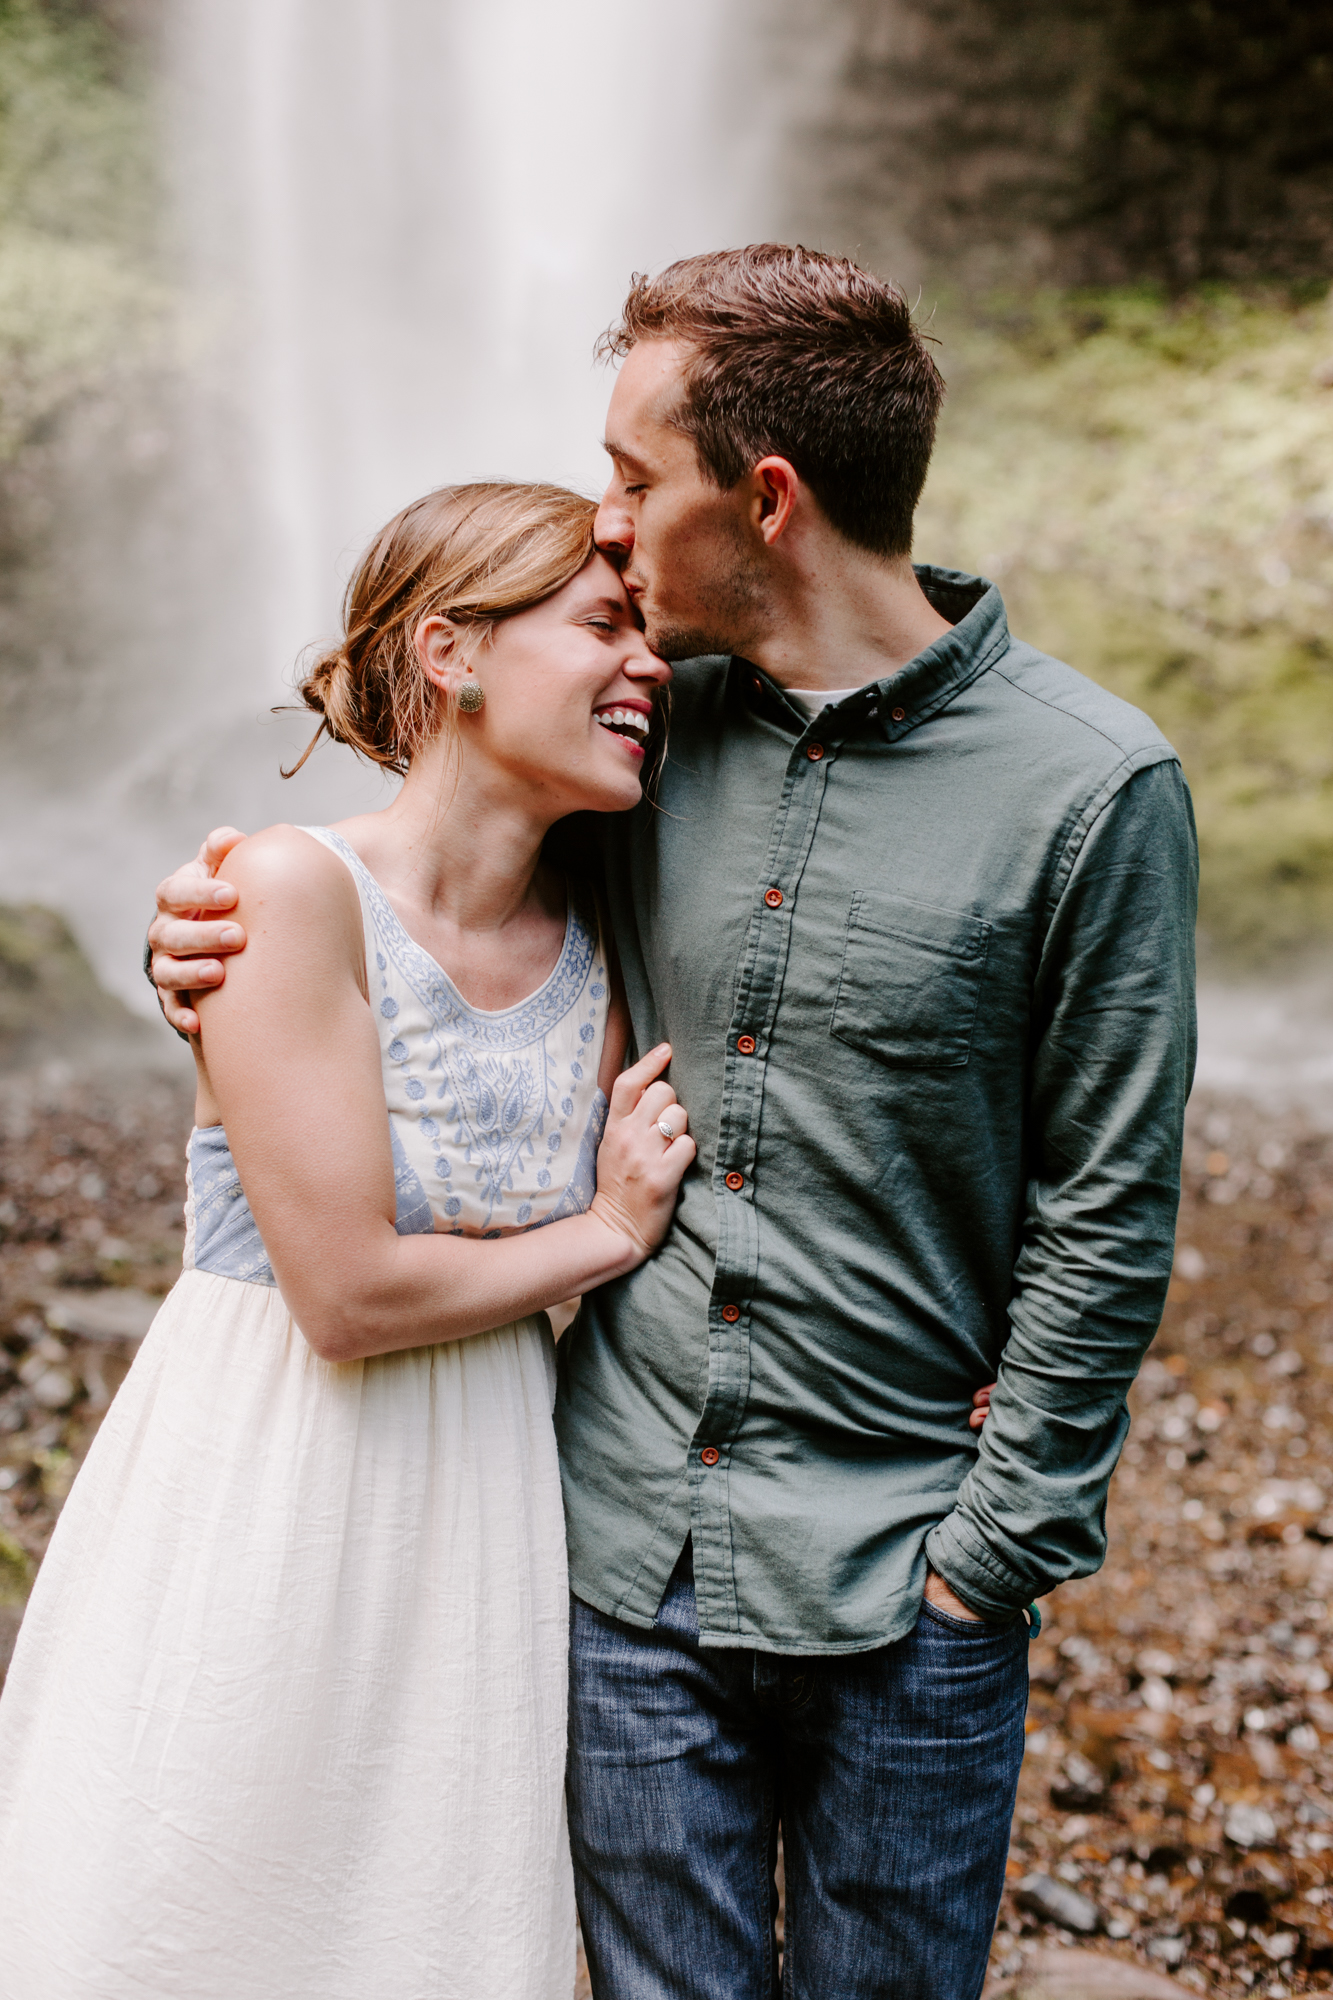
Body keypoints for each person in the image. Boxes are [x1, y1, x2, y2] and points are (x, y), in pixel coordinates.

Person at [150, 245, 1197, 2000]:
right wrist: (204, 937)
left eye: (632, 483)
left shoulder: (1091, 792)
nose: (610, 530)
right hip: (619, 1555)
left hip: (904, 1579)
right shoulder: (639, 737)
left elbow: (1107, 1213)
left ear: (764, 498)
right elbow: (421, 899)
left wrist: (987, 1562)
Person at [0, 482, 696, 2000]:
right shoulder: (287, 889)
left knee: (420, 1921)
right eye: (600, 625)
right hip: (274, 1476)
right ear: (447, 652)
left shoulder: (605, 930)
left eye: (647, 630)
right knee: (198, 1891)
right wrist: (603, 1229)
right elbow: (346, 1293)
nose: (646, 662)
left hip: (484, 1507)